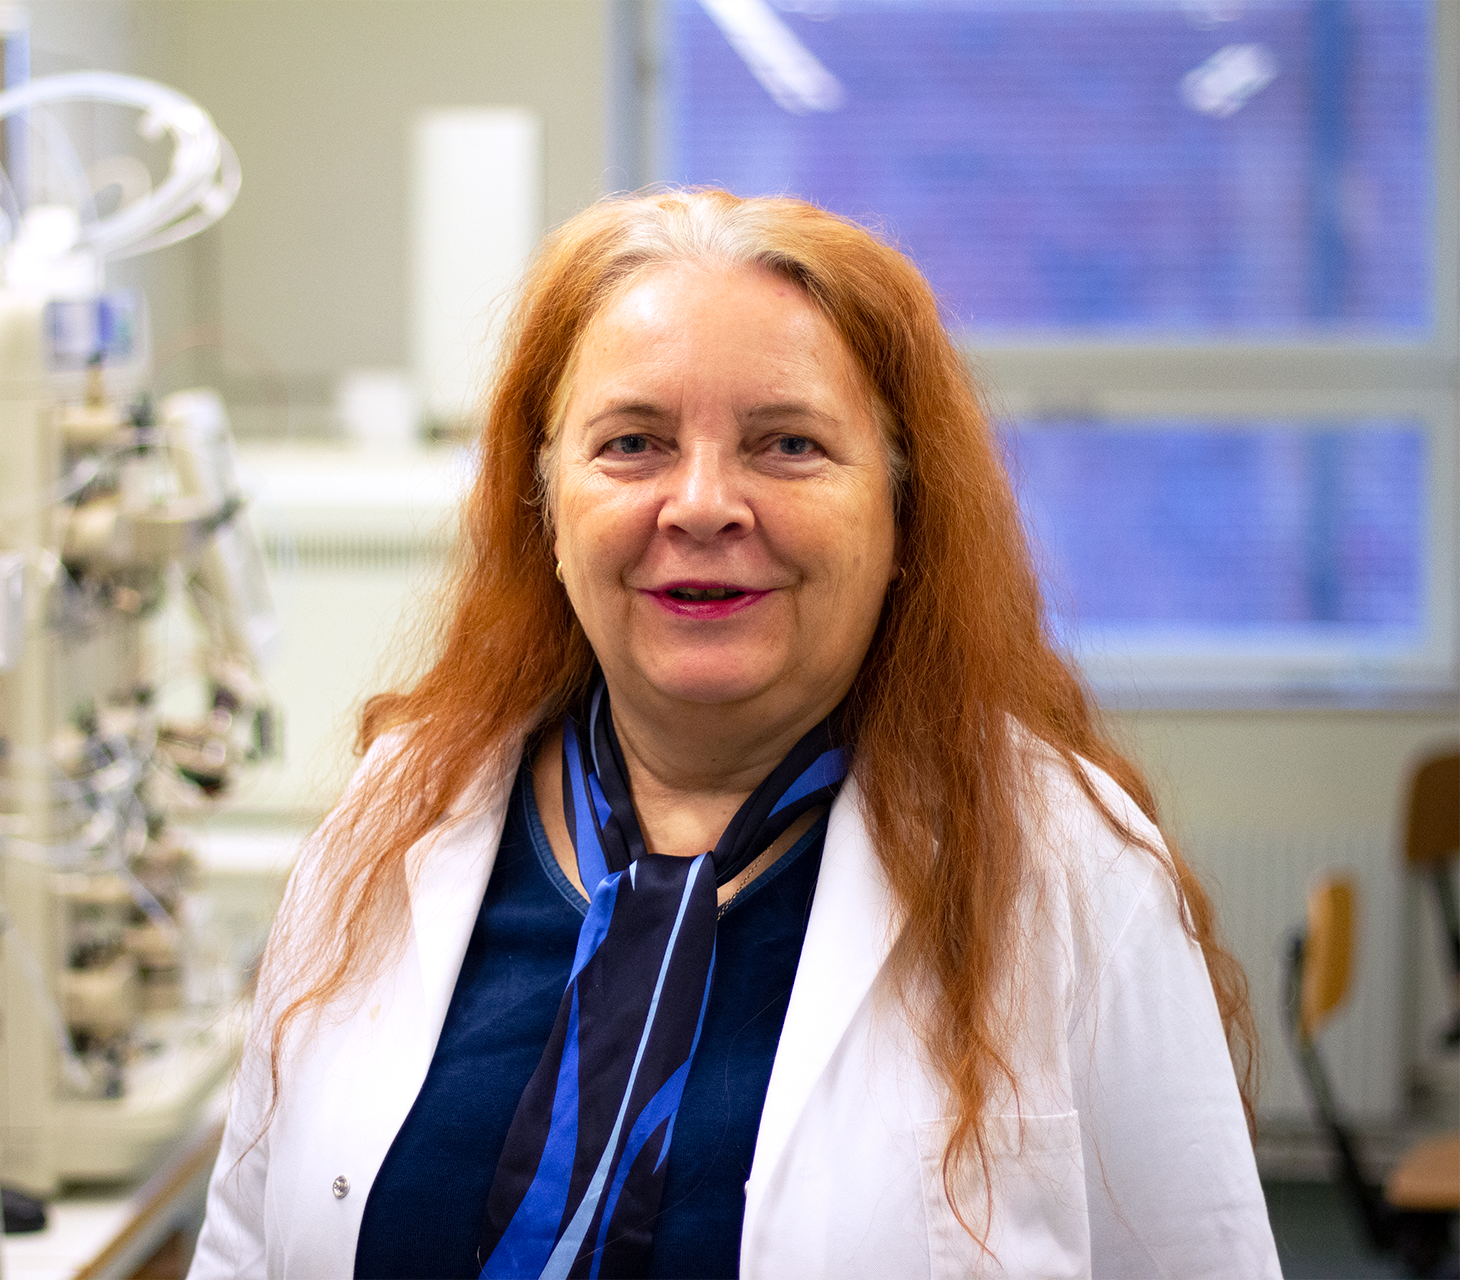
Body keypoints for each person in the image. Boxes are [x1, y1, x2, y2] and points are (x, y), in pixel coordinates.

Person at [190, 190, 1279, 1279]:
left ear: (904, 515)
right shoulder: (394, 814)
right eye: (633, 443)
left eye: (788, 444)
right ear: (546, 506)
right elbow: (245, 1248)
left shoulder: (1070, 868)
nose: (702, 504)